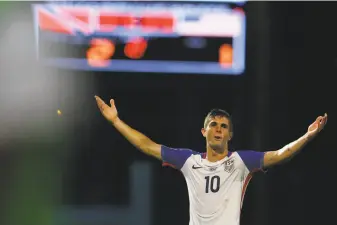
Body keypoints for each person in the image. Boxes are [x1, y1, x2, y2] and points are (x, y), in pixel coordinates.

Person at [94, 96, 328, 225]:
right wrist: (116, 121)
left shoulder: (240, 162)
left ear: (229, 135)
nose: (218, 129)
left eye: (224, 126)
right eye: (213, 125)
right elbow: (147, 145)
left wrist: (307, 136)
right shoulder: (188, 160)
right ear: (204, 132)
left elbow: (280, 155)